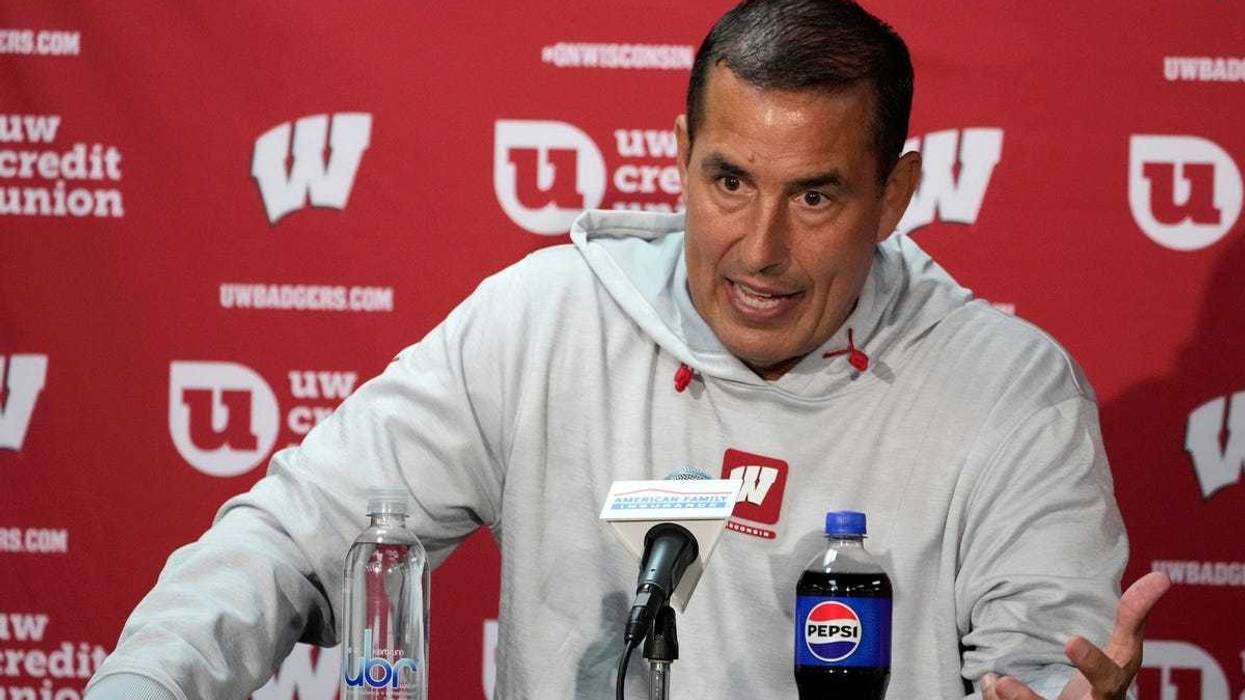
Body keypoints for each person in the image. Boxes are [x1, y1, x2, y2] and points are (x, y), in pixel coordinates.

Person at [86, 1, 1168, 698]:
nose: (761, 249)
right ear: (680, 157)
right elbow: (295, 532)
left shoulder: (1012, 392)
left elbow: (1044, 668)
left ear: (894, 197)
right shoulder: (547, 319)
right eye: (728, 181)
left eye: (818, 196)